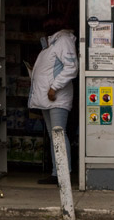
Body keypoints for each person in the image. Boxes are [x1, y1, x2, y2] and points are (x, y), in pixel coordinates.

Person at [29, 12, 78, 185]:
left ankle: (63, 173)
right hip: (48, 97)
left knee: (58, 134)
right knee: (54, 135)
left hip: (56, 97)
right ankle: (57, 173)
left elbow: (71, 67)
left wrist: (54, 87)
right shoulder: (52, 43)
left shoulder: (63, 40)